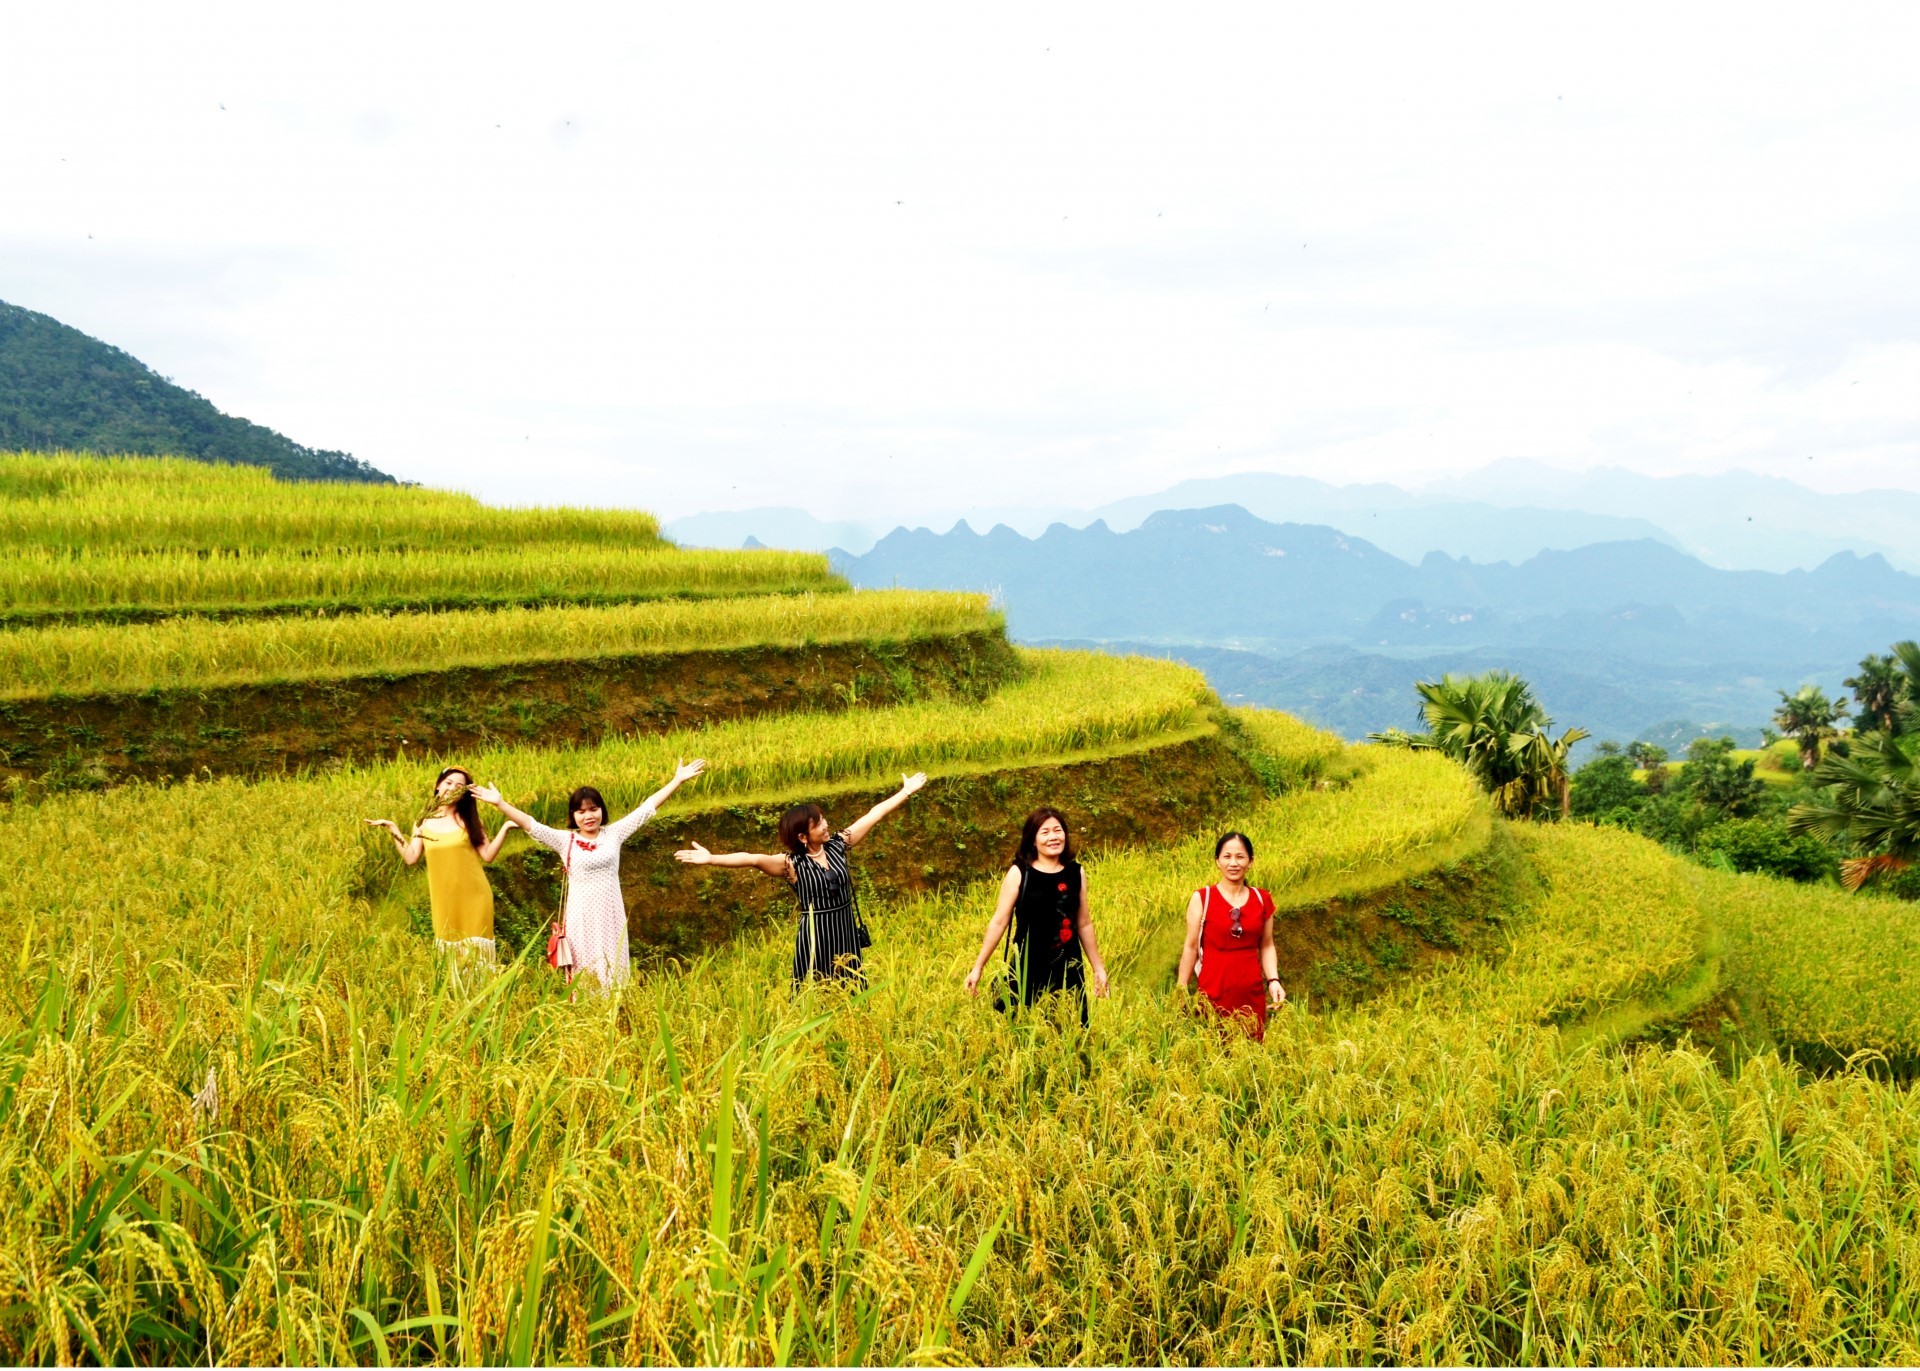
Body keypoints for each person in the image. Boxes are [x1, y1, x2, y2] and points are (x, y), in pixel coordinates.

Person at [471, 759, 705, 990]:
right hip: (580, 918)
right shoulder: (566, 840)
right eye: (581, 811)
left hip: (611, 914)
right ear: (573, 816)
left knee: (613, 968)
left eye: (594, 809)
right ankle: (585, 1013)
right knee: (585, 972)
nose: (588, 816)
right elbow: (531, 824)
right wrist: (500, 803)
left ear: (602, 810)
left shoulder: (614, 833)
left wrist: (677, 780)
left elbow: (647, 808)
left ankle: (615, 1012)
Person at [674, 773, 927, 986]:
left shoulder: (838, 844)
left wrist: (905, 792)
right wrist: (711, 858)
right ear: (803, 837)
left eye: (823, 819)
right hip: (817, 935)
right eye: (818, 824)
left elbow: (874, 815)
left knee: (852, 985)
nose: (826, 825)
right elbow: (752, 858)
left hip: (845, 929)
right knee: (816, 987)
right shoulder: (791, 864)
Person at [964, 807, 1111, 1023]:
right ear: (1033, 840)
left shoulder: (1075, 873)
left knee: (1071, 1029)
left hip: (1068, 968)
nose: (1053, 837)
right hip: (1027, 967)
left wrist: (1098, 969)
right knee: (1020, 1032)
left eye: (1058, 830)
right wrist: (978, 967)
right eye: (1045, 832)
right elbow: (999, 922)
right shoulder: (1020, 873)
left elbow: (1084, 923)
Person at [365, 766, 515, 961]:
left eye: (459, 786)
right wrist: (392, 828)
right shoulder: (424, 821)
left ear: (464, 794)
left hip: (475, 897)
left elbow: (487, 855)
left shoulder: (469, 821)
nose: (452, 788)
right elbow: (411, 857)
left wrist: (506, 827)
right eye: (448, 783)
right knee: (449, 955)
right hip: (444, 900)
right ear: (438, 785)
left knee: (478, 958)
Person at [1176, 831, 1286, 1040]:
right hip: (1212, 992)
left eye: (1240, 857)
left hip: (1250, 993)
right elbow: (1190, 947)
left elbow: (1267, 945)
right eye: (1227, 857)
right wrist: (1181, 989)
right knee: (1212, 1052)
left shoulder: (1262, 899)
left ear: (1250, 862)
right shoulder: (1202, 898)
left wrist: (1273, 980)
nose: (1233, 863)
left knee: (1251, 1055)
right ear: (1217, 861)